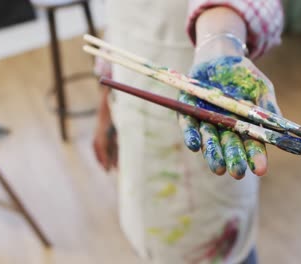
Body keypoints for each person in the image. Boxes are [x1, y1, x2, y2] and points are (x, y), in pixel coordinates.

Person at [93, 1, 284, 263]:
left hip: (205, 148)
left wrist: (219, 43)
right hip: (133, 127)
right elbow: (120, 28)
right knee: (148, 241)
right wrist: (105, 110)